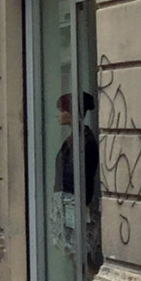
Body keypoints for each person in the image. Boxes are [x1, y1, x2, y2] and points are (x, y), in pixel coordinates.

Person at [52, 92, 101, 264]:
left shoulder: (84, 141)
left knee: (80, 257)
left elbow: (85, 176)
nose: (58, 114)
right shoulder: (73, 140)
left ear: (70, 113)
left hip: (76, 204)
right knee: (74, 257)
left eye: (61, 110)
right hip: (69, 203)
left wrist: (81, 205)